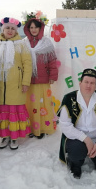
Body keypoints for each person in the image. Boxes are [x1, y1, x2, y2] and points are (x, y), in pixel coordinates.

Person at [57, 68, 96, 179]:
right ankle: (75, 164)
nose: (88, 86)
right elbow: (65, 126)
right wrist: (85, 139)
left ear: (95, 85)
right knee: (77, 151)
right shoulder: (69, 98)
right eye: (86, 82)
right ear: (80, 83)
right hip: (76, 138)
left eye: (92, 83)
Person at [0, 17, 32, 150]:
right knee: (3, 112)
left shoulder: (21, 44)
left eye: (12, 28)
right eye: (7, 28)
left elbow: (27, 64)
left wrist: (26, 82)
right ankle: (5, 136)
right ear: (2, 29)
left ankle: (14, 137)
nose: (9, 30)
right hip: (0, 86)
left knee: (13, 111)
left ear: (16, 31)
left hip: (17, 85)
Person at [23, 11, 58, 139]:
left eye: (36, 27)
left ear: (40, 28)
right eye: (31, 27)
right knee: (31, 105)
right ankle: (32, 128)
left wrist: (52, 76)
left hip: (43, 81)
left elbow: (52, 61)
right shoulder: (23, 43)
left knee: (43, 104)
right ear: (28, 29)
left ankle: (43, 127)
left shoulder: (46, 42)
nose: (33, 30)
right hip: (28, 81)